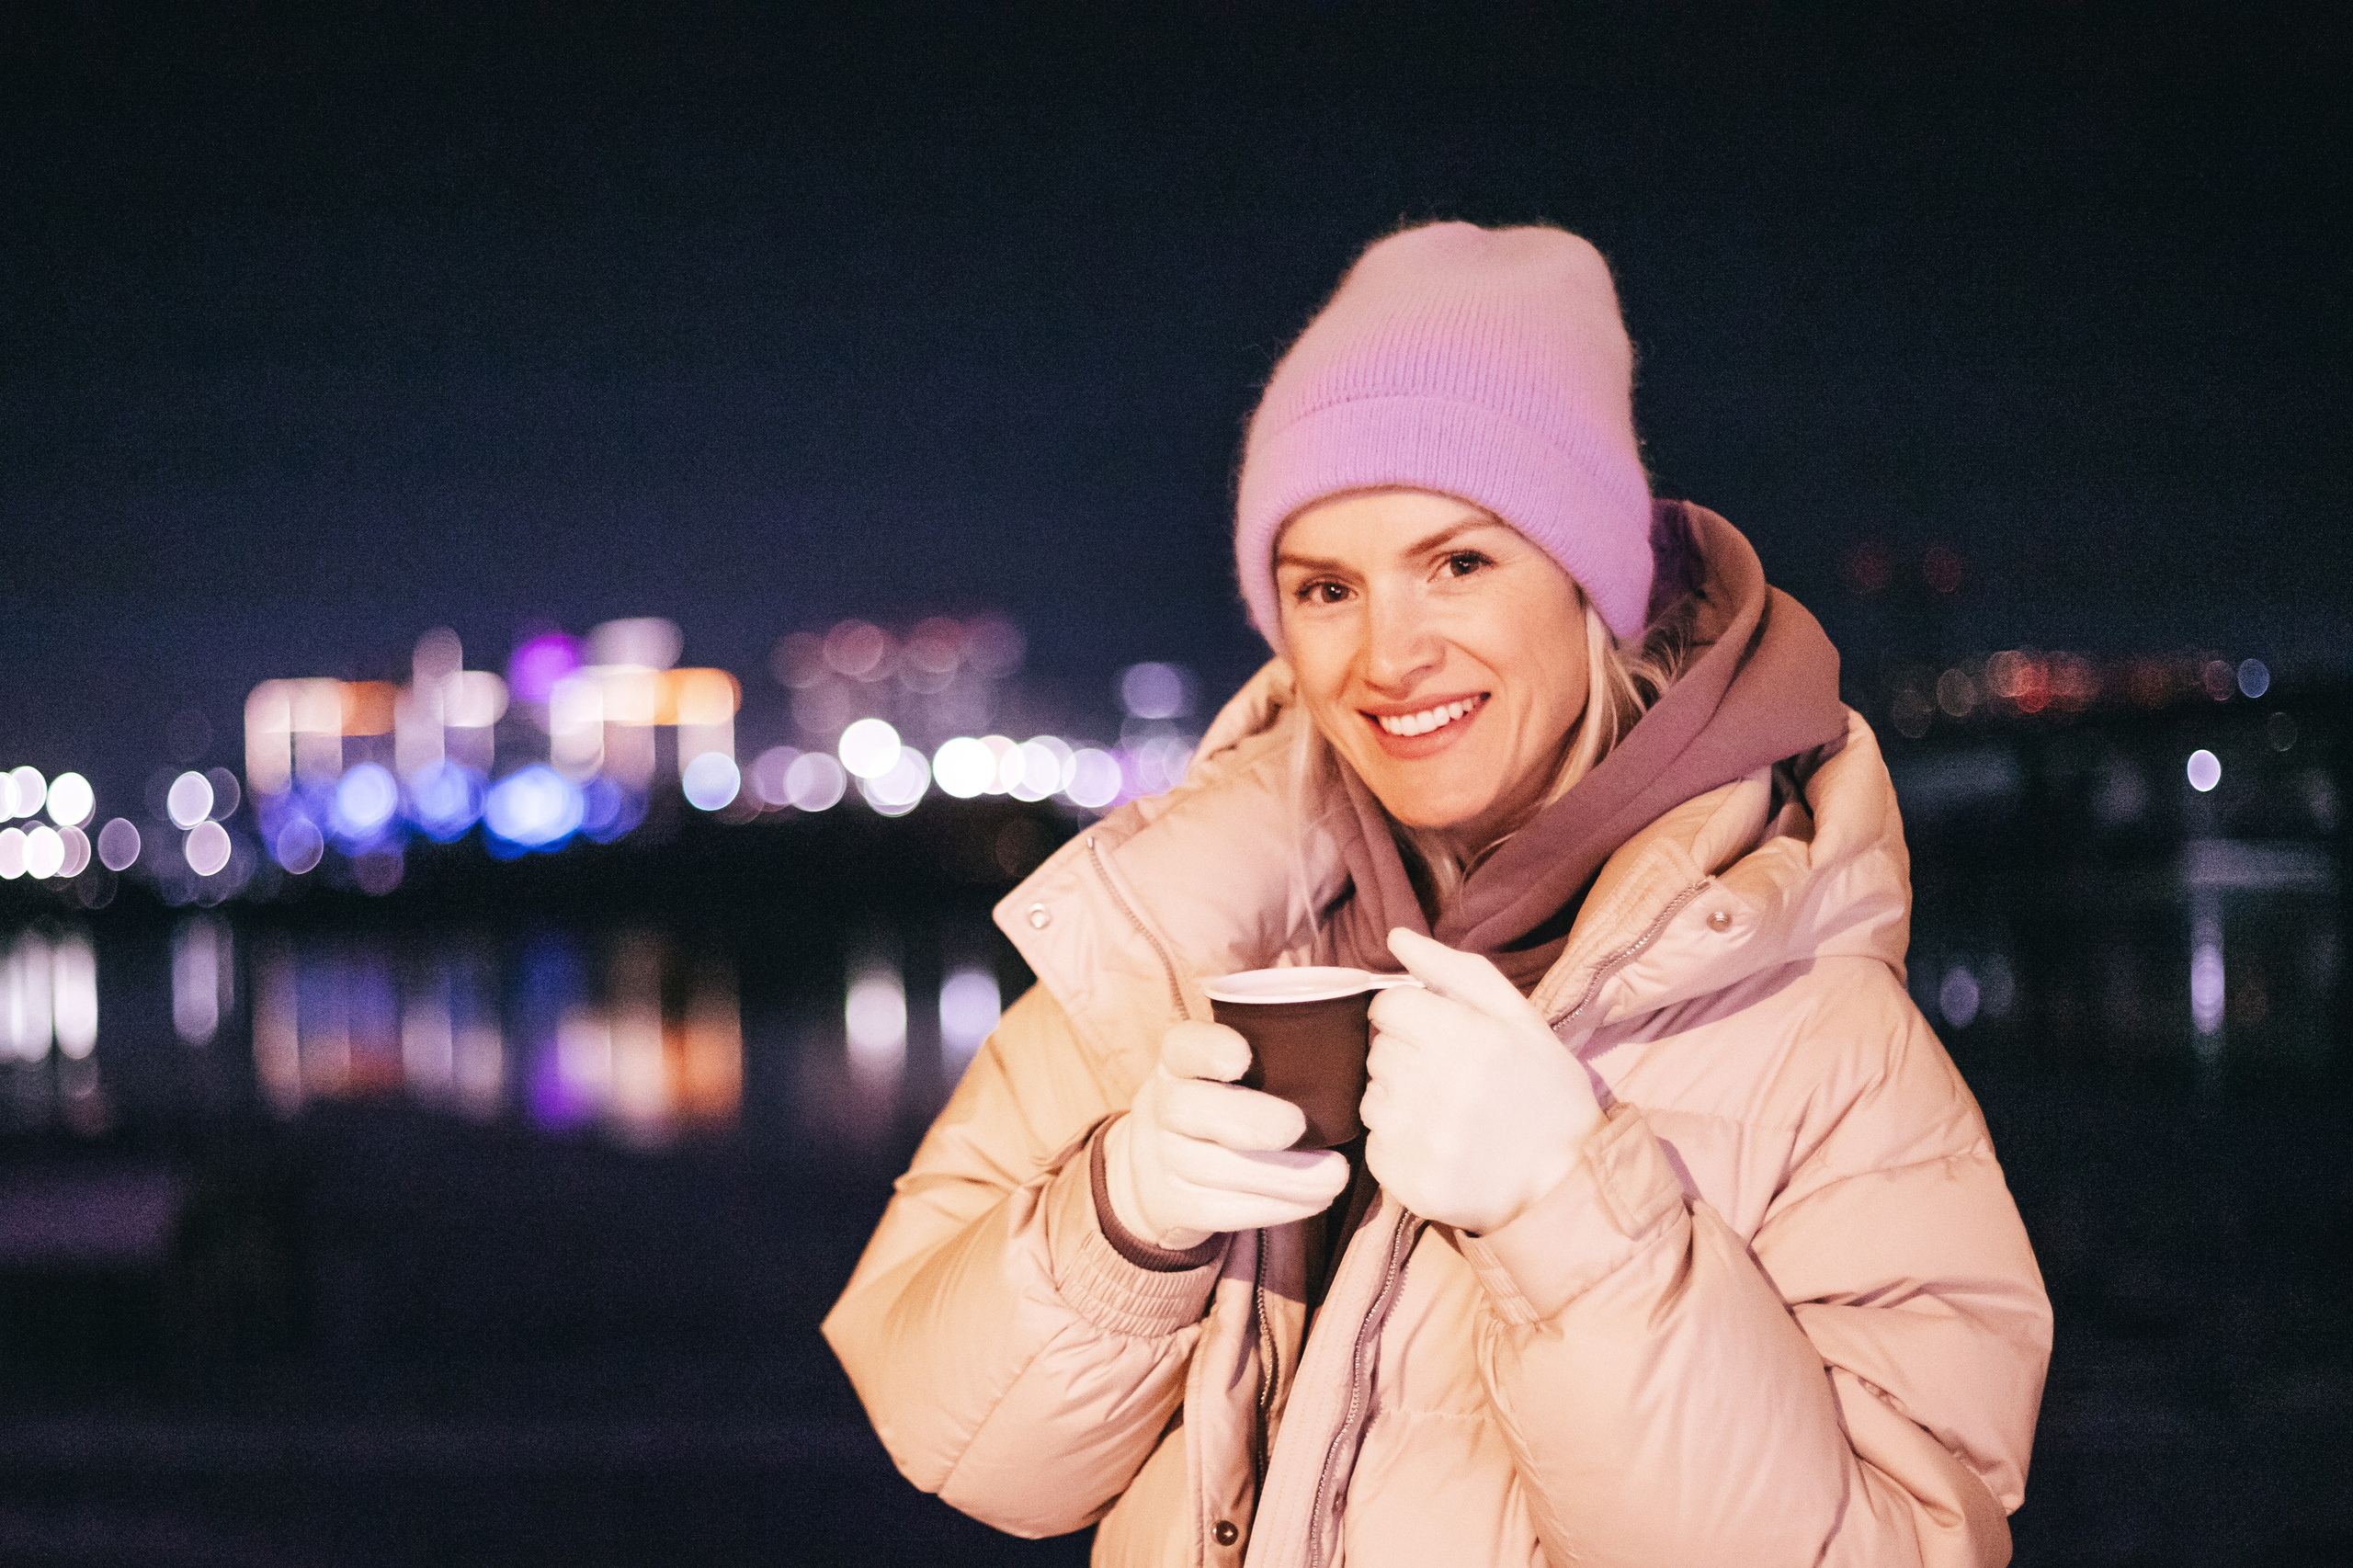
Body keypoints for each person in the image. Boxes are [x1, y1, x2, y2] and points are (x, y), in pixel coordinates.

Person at [824, 222, 2051, 1567]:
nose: (1389, 653)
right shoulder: (1185, 942)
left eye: (1459, 561)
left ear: (1593, 585)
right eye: (1327, 586)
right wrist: (1126, 1217)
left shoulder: (1822, 1039)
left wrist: (1568, 1212)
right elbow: (962, 1441)